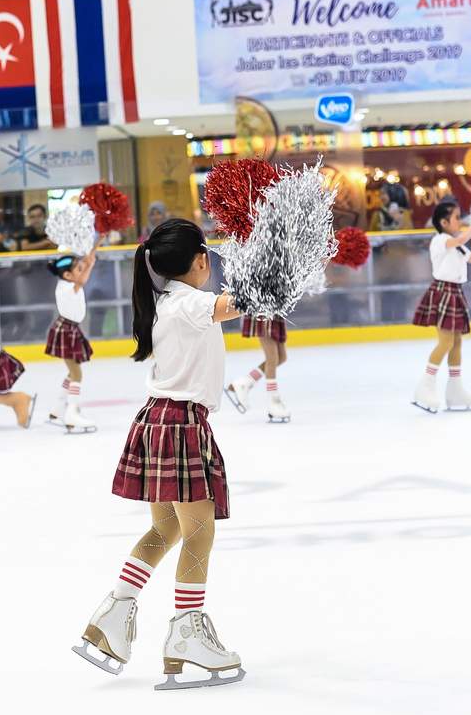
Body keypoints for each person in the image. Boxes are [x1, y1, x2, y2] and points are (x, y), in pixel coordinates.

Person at [73, 218, 246, 688]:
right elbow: (236, 305)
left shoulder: (168, 300)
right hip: (181, 424)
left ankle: (112, 615)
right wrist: (270, 275)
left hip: (158, 420)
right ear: (200, 261)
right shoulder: (189, 302)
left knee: (166, 527)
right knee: (199, 532)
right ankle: (187, 634)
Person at [411, 201, 471, 413]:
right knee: (445, 342)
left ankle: (455, 389)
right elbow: (462, 238)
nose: (460, 221)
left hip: (455, 292)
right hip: (443, 291)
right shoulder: (441, 240)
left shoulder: (456, 243)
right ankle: (425, 386)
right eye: (457, 217)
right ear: (444, 222)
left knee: (456, 342)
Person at [44, 252, 97, 432]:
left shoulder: (67, 282)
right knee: (76, 374)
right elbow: (81, 281)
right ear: (67, 275)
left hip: (69, 328)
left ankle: (58, 408)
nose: (82, 270)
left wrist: (88, 261)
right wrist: (89, 264)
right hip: (66, 330)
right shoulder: (67, 287)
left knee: (72, 371)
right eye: (78, 269)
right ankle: (72, 413)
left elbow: (80, 279)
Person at [224, 307, 291, 422]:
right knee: (272, 358)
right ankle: (273, 401)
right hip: (263, 309)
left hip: (275, 309)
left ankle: (244, 382)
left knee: (281, 357)